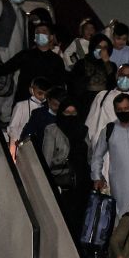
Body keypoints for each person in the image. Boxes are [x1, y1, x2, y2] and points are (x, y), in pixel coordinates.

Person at [0, 20, 65, 112]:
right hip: (23, 101)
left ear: (51, 37)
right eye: (37, 32)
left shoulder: (57, 61)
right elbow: (6, 67)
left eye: (44, 32)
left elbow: (59, 84)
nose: (40, 34)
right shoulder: (26, 55)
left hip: (44, 106)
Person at [42, 97, 90, 236]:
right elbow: (46, 159)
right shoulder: (52, 130)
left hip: (83, 181)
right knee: (66, 217)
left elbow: (90, 155)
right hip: (63, 182)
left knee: (81, 218)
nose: (70, 116)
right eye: (66, 112)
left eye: (73, 112)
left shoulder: (84, 130)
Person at [85, 63, 129, 143]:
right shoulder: (102, 96)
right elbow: (91, 122)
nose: (125, 79)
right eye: (122, 75)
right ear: (117, 76)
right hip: (98, 145)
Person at [69, 33, 117, 115]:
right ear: (93, 47)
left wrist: (106, 64)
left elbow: (112, 86)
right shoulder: (81, 63)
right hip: (85, 102)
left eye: (105, 47)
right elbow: (74, 87)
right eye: (99, 47)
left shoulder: (111, 66)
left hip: (104, 103)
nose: (102, 50)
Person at [1, 76, 47, 155]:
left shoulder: (45, 109)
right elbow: (13, 128)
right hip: (18, 143)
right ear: (31, 90)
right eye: (40, 93)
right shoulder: (21, 105)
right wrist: (16, 146)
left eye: (46, 95)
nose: (43, 97)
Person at [20, 85, 66, 154]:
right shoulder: (39, 114)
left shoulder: (65, 117)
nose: (58, 108)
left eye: (61, 106)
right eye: (55, 104)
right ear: (48, 100)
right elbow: (29, 132)